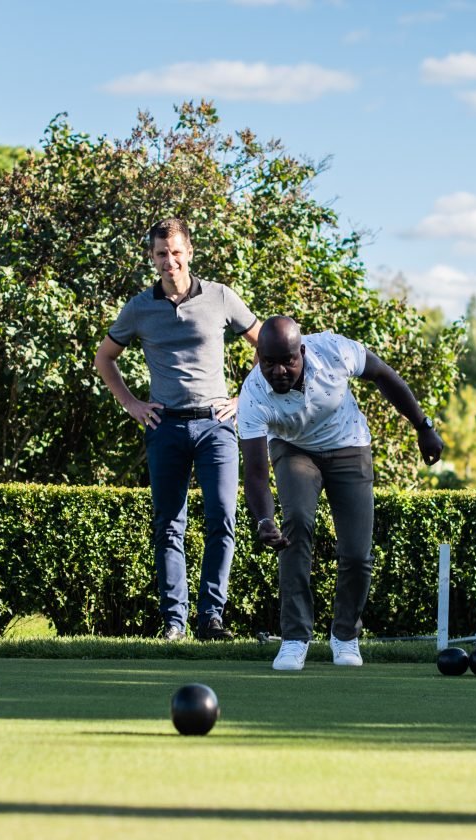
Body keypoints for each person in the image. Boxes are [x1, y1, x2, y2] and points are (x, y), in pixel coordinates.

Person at [237, 316, 445, 671]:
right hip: (294, 449)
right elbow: (256, 472)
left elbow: (383, 374)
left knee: (356, 551)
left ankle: (345, 636)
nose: (280, 370)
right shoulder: (253, 394)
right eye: (269, 362)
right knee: (296, 526)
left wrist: (423, 426)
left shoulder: (334, 351)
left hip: (349, 445)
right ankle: (294, 639)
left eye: (288, 360)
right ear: (259, 356)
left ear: (302, 351)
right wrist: (263, 519)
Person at [95, 218, 262, 642]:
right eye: (160, 254)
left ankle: (211, 618)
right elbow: (105, 359)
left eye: (175, 252)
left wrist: (244, 399)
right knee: (169, 524)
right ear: (151, 258)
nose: (169, 261)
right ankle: (175, 623)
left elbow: (269, 345)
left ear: (189, 252)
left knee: (221, 517)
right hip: (164, 426)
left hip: (216, 426)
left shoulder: (221, 297)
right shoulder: (139, 307)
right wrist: (132, 404)